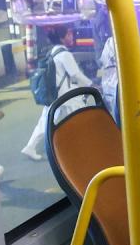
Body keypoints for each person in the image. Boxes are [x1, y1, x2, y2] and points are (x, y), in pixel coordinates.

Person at [21, 26, 93, 161]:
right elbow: (75, 74)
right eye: (69, 35)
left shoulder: (53, 51)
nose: (71, 37)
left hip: (54, 93)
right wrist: (90, 84)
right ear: (62, 38)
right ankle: (82, 147)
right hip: (66, 95)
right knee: (80, 117)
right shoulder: (65, 54)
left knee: (46, 121)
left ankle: (30, 147)